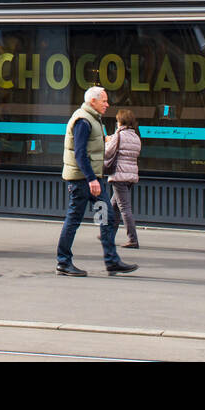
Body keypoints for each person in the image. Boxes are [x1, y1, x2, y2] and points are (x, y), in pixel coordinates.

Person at [56, 86, 137, 277]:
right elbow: (80, 153)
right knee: (74, 219)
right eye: (104, 101)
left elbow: (91, 147)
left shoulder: (93, 119)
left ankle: (112, 261)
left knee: (106, 217)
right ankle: (63, 261)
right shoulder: (83, 120)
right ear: (93, 101)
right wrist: (92, 179)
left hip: (92, 180)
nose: (107, 104)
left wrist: (104, 140)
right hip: (83, 181)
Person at [105, 108, 142, 249]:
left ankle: (133, 239)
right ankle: (107, 234)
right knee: (113, 206)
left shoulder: (118, 136)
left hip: (119, 175)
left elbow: (108, 153)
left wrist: (108, 141)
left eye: (117, 121)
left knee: (124, 208)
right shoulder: (136, 137)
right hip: (131, 176)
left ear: (121, 121)